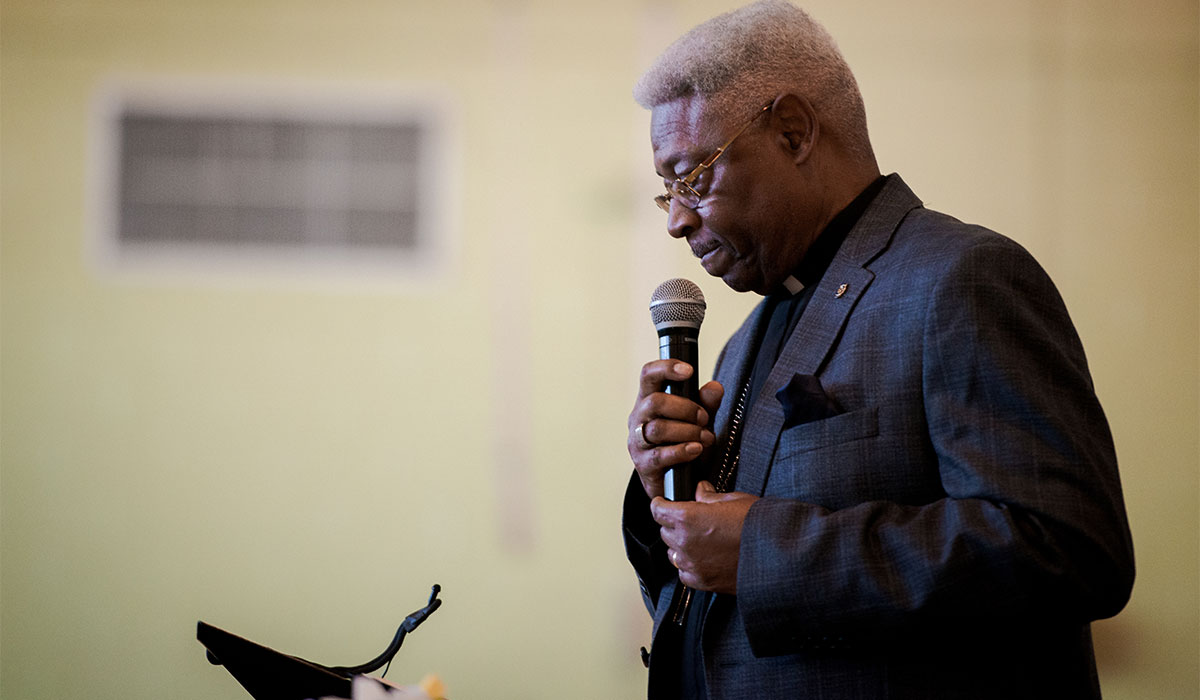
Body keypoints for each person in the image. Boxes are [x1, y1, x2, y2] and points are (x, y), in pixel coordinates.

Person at [621, 1, 1135, 698]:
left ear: (794, 132)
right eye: (667, 192)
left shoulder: (961, 277)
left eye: (694, 177)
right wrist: (668, 505)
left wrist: (768, 554)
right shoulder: (744, 340)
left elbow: (1069, 550)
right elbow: (720, 597)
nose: (678, 220)